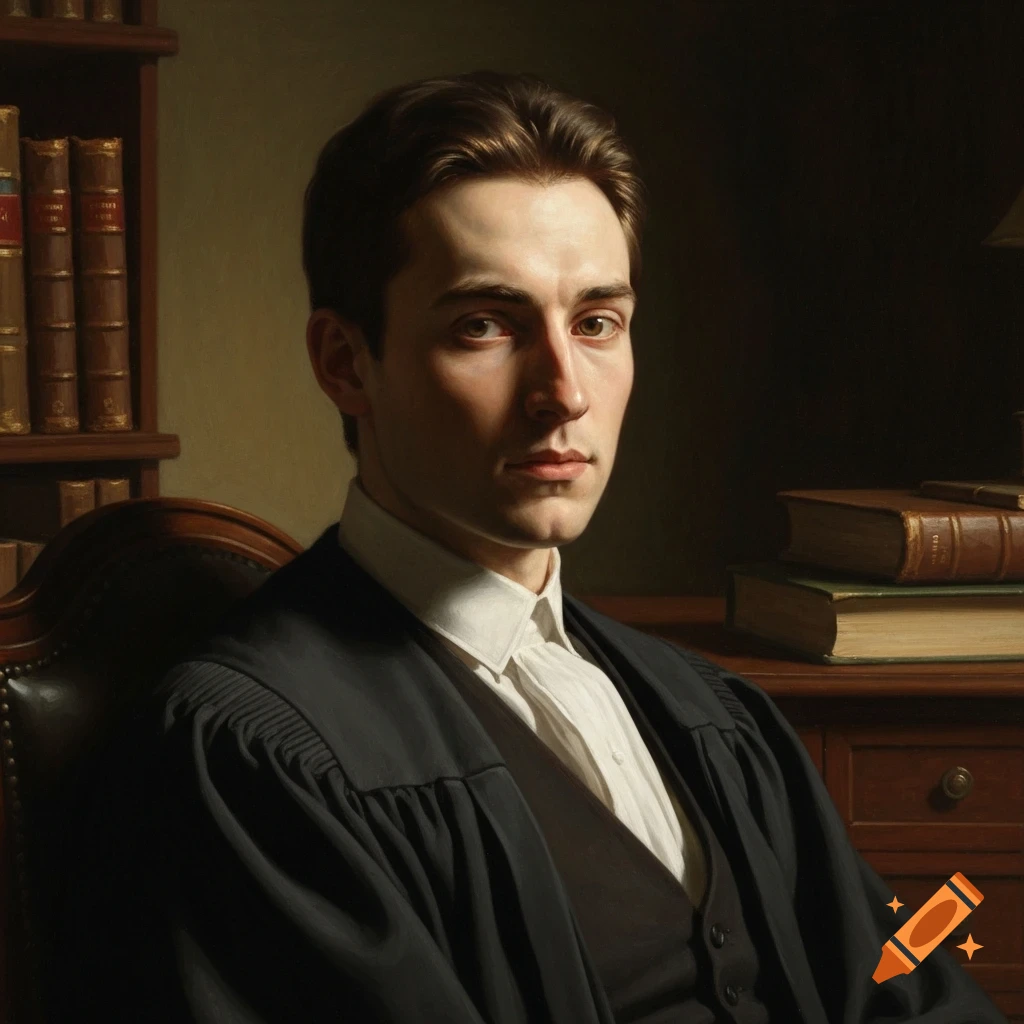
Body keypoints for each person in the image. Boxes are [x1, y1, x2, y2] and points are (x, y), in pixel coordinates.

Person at [55, 70, 1007, 1023]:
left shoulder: (713, 713)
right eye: (486, 326)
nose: (565, 391)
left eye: (597, 323)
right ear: (346, 362)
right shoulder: (250, 759)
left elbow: (907, 981)